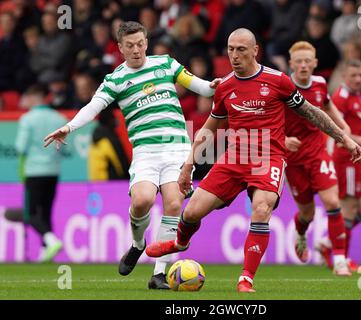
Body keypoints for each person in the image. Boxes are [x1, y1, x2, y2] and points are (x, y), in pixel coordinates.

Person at [145, 28, 361, 292]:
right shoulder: (225, 86)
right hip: (235, 158)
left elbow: (311, 112)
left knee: (261, 210)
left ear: (255, 50)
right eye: (230, 49)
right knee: (191, 212)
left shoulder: (278, 81)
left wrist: (345, 138)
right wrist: (189, 163)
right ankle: (180, 243)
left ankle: (246, 277)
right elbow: (210, 127)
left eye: (241, 49)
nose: (234, 56)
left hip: (267, 158)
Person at [44, 21, 220, 290]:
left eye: (140, 44)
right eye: (130, 46)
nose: (136, 50)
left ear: (146, 42)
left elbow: (203, 88)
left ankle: (159, 274)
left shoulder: (166, 64)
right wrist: (69, 126)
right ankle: (138, 244)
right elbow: (93, 107)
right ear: (120, 48)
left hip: (176, 149)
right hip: (146, 152)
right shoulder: (115, 80)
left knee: (174, 204)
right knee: (142, 201)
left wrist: (216, 85)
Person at [283, 41, 352, 275]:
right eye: (298, 61)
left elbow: (328, 106)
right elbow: (268, 119)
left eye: (307, 61)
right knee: (307, 213)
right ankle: (301, 233)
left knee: (333, 203)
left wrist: (342, 128)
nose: (303, 66)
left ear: (315, 63)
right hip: (292, 159)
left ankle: (340, 259)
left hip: (317, 152)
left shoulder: (321, 84)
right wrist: (282, 139)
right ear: (291, 64)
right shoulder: (282, 87)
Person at [318, 59, 361, 269]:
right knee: (348, 209)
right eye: (354, 76)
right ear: (344, 76)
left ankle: (329, 242)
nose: (358, 79)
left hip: (357, 160)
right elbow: (338, 133)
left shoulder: (357, 97)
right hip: (344, 159)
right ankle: (343, 258)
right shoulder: (340, 99)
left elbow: (358, 129)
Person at [15, 84, 67, 262]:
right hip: (53, 171)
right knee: (46, 212)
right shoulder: (59, 117)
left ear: (33, 97)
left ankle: (50, 241)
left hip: (34, 171)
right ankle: (46, 251)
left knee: (30, 214)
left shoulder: (27, 119)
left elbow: (20, 147)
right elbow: (66, 148)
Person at [88, 106, 130, 181]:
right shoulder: (109, 139)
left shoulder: (97, 136)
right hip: (110, 182)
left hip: (96, 180)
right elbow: (120, 163)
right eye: (114, 119)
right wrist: (128, 177)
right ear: (110, 120)